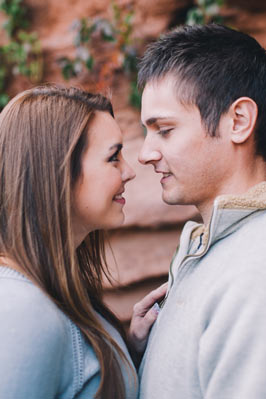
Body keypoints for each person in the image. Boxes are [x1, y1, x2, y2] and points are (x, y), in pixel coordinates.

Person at [0, 85, 165, 399]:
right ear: (57, 170)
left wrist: (130, 351)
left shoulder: (52, 291)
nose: (129, 172)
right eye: (113, 157)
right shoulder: (18, 310)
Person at [137, 23, 266, 399]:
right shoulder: (209, 246)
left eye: (164, 130)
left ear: (238, 121)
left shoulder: (255, 269)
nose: (145, 154)